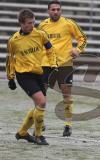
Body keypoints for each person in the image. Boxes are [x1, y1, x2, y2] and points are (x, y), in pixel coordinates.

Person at [6, 9, 57, 145]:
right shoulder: (13, 41)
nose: (32, 25)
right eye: (29, 23)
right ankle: (39, 136)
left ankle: (22, 132)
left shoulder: (40, 34)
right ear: (21, 23)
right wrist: (10, 78)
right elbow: (10, 60)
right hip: (23, 75)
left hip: (38, 73)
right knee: (41, 102)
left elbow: (50, 49)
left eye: (33, 22)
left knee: (39, 105)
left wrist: (53, 64)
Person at [38, 0, 87, 137]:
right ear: (48, 11)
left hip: (65, 63)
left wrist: (78, 50)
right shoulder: (42, 25)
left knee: (66, 94)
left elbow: (82, 38)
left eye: (58, 9)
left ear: (61, 10)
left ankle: (68, 125)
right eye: (53, 9)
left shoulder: (68, 23)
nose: (56, 11)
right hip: (46, 63)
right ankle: (40, 122)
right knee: (41, 94)